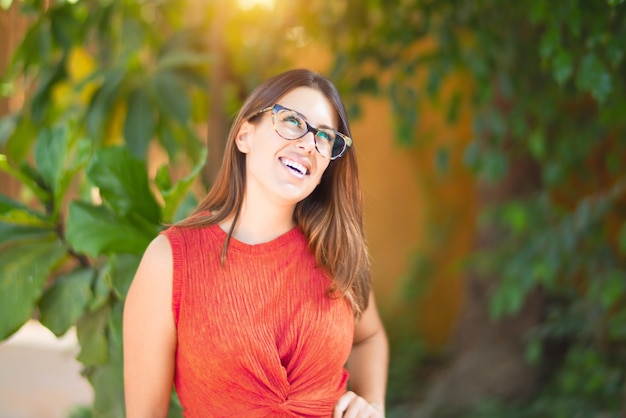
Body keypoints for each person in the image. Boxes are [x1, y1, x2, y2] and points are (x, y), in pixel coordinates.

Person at [123, 68, 388, 418]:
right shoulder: (170, 261)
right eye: (293, 122)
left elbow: (369, 337)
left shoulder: (337, 251)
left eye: (324, 137)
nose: (309, 143)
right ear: (245, 135)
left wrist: (371, 404)